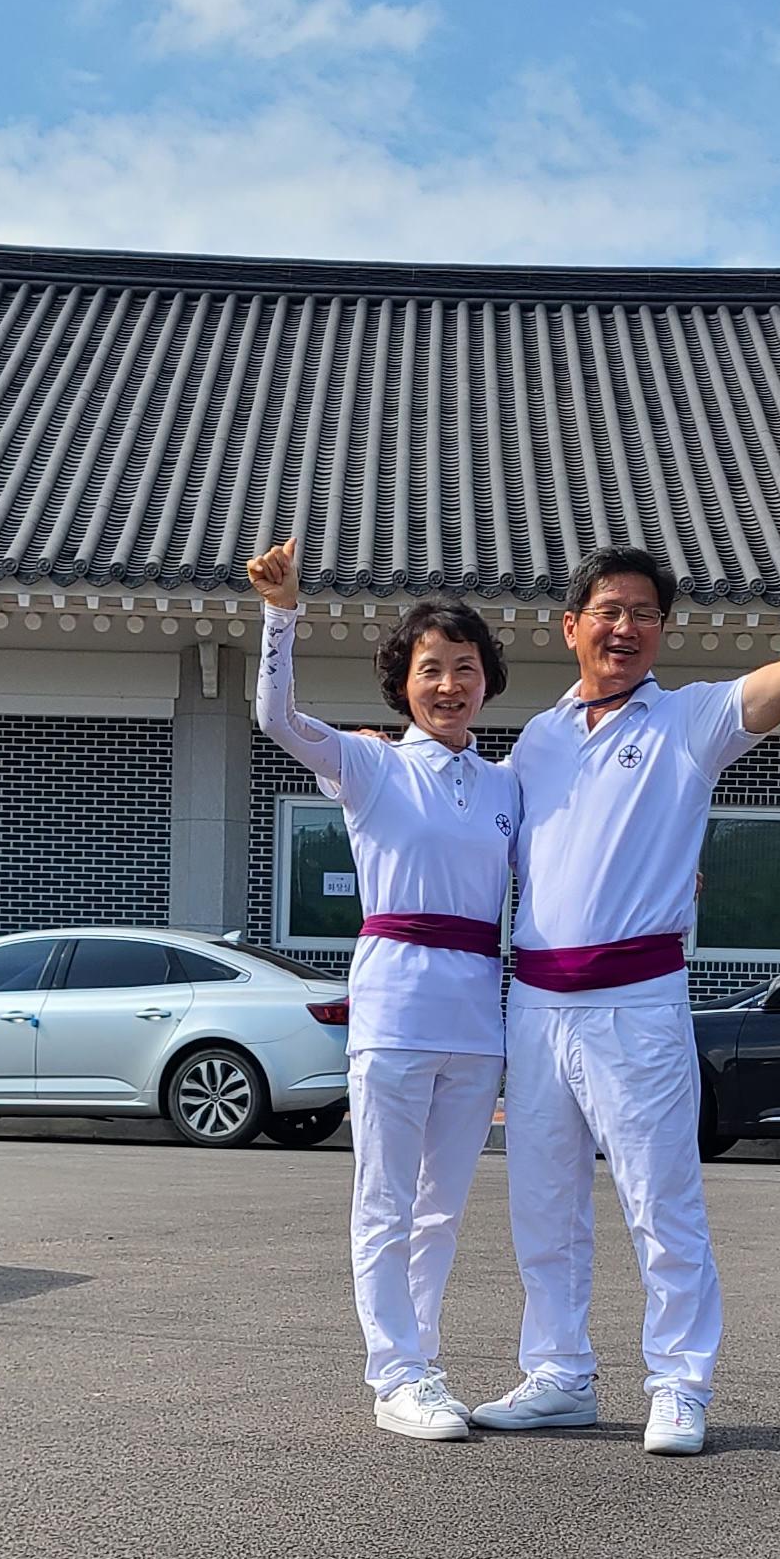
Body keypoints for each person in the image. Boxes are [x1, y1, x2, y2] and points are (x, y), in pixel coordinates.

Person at [473, 449, 780, 1456]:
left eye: (645, 614)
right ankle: (559, 1374)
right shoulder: (535, 742)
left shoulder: (689, 721)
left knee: (661, 1202)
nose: (625, 627)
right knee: (543, 1204)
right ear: (570, 626)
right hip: (537, 1006)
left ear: (662, 631)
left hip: (636, 1002)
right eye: (607, 611)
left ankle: (680, 1384)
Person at [246, 534, 520, 1441]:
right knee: (386, 1201)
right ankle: (394, 1374)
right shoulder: (371, 766)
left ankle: (423, 1364)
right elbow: (279, 718)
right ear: (403, 683)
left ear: (487, 680)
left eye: (465, 667)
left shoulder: (506, 786)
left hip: (477, 1020)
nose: (449, 684)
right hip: (395, 1012)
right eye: (430, 668)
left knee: (442, 1209)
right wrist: (281, 617)